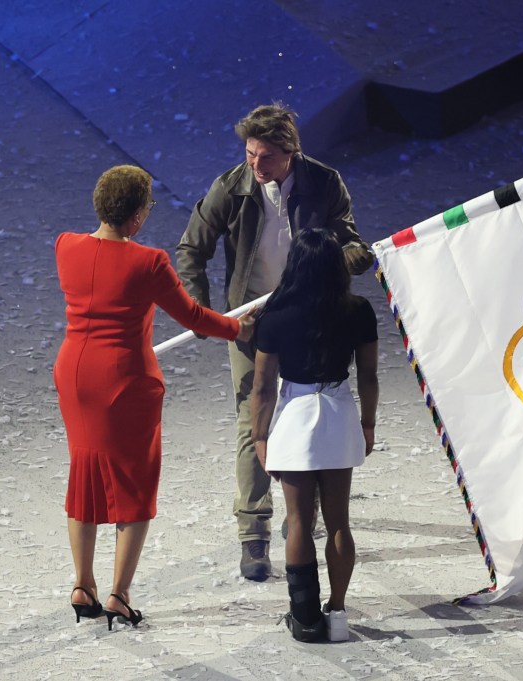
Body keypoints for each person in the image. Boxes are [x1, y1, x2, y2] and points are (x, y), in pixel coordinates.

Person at [175, 101, 374, 581]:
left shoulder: (324, 183)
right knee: (255, 419)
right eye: (249, 153)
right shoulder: (232, 187)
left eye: (265, 157)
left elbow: (348, 242)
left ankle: (303, 517)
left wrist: (341, 263)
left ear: (290, 154)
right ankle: (254, 533)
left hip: (310, 316)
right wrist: (210, 317)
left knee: (312, 414)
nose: (255, 165)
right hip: (250, 322)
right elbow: (190, 251)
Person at [54, 165, 255, 630]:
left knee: (83, 474)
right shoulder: (148, 262)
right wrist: (236, 326)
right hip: (124, 384)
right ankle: (119, 595)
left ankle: (82, 584)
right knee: (134, 485)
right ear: (139, 215)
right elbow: (192, 316)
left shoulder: (66, 246)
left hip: (74, 375)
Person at [251, 228, 379, 642]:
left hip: (295, 416)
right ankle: (338, 614)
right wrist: (368, 424)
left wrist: (259, 437)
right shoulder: (358, 310)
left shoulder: (276, 314)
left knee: (300, 522)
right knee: (339, 522)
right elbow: (370, 376)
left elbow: (263, 387)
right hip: (339, 413)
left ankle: (305, 618)